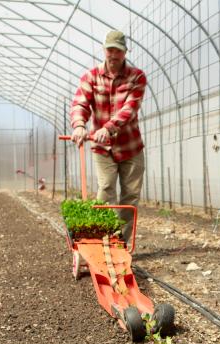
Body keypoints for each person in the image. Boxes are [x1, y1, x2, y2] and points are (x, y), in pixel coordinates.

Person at [71, 30, 147, 245]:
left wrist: (110, 127)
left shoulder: (137, 76)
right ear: (104, 50)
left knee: (130, 196)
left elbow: (130, 108)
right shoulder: (90, 77)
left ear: (125, 52)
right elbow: (80, 103)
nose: (113, 55)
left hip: (131, 147)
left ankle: (120, 244)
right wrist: (78, 125)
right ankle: (99, 240)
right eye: (110, 50)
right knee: (105, 190)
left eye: (118, 51)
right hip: (102, 148)